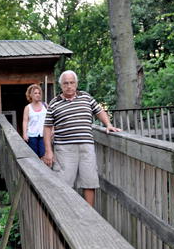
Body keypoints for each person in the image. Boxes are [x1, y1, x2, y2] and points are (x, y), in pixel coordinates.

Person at [41, 70, 122, 208]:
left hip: (86, 146)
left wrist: (108, 124)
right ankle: (66, 214)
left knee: (89, 180)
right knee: (63, 182)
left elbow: (99, 111)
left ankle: (89, 213)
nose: (69, 86)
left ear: (76, 84)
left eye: (72, 83)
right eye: (66, 83)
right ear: (61, 85)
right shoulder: (54, 103)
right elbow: (47, 127)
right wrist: (48, 151)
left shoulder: (86, 97)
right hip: (64, 148)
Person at [22, 84, 47, 157]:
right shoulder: (27, 108)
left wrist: (52, 129)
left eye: (39, 93)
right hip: (32, 135)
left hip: (43, 134)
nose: (37, 95)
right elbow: (25, 121)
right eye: (35, 93)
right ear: (30, 95)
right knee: (34, 157)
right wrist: (24, 133)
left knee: (44, 155)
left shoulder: (45, 106)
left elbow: (50, 119)